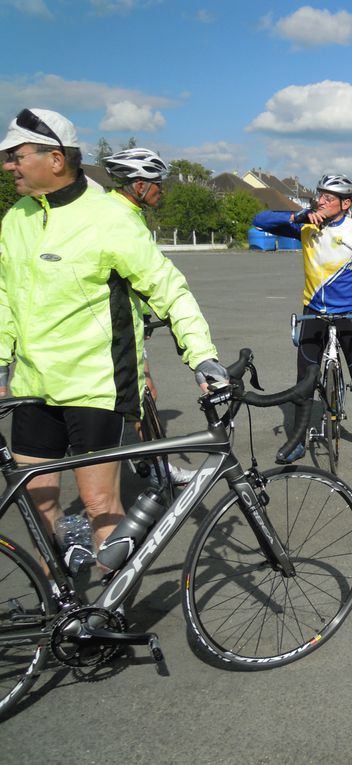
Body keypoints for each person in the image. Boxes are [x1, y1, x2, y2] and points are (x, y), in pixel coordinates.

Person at [0, 108, 227, 558]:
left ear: (56, 159)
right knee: (38, 503)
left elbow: (167, 287)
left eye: (16, 155)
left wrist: (201, 355)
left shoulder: (109, 217)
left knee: (100, 505)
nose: (9, 165)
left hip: (94, 386)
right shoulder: (16, 219)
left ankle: (107, 617)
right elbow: (5, 297)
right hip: (32, 385)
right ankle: (58, 607)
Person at [252, 173, 352, 462]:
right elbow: (260, 220)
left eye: (329, 198)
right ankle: (298, 441)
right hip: (313, 314)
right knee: (304, 382)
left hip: (350, 315)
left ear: (346, 203)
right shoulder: (306, 226)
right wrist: (298, 215)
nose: (321, 201)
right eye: (320, 195)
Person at [103, 147, 195, 487]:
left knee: (144, 395)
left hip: (127, 326)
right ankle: (153, 466)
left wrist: (145, 311)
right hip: (114, 333)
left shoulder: (124, 212)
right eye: (158, 183)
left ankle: (153, 462)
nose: (162, 189)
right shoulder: (120, 218)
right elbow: (153, 280)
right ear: (138, 185)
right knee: (138, 397)